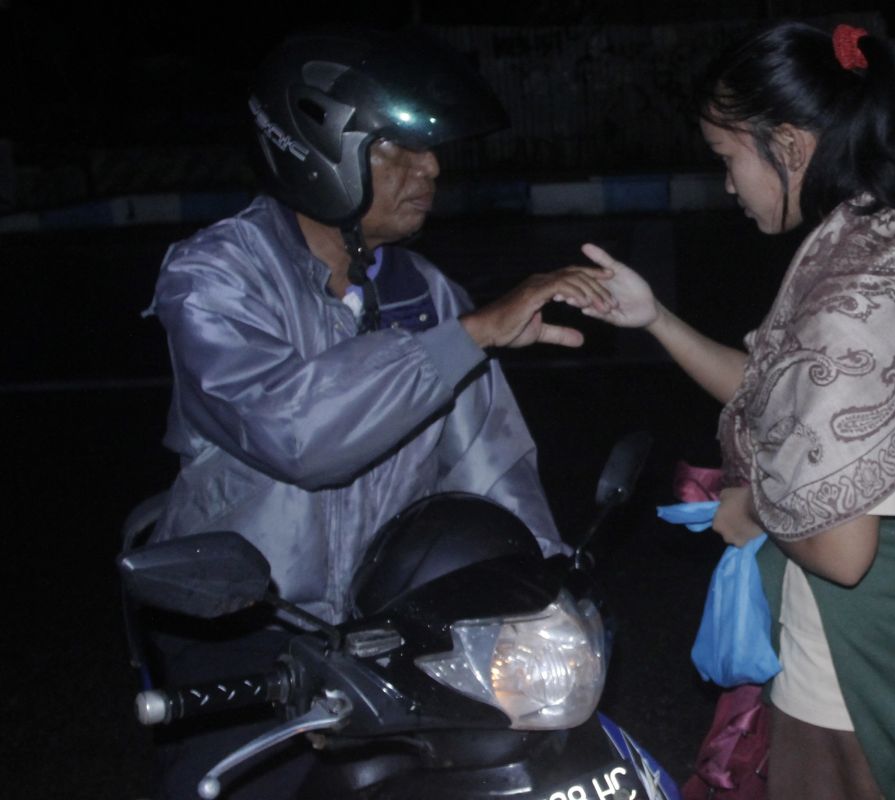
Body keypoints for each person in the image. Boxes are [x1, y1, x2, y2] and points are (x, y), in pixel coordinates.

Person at [142, 27, 611, 799]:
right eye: (397, 147)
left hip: (384, 625)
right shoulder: (215, 279)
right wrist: (468, 336)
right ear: (314, 149)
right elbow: (295, 432)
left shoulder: (422, 290)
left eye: (428, 149)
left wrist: (548, 581)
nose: (429, 168)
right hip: (248, 626)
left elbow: (488, 463)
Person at [578, 21, 895, 800]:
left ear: (786, 144)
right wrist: (655, 319)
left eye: (727, 159)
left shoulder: (850, 302)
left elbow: (842, 549)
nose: (725, 185)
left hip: (861, 675)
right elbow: (782, 388)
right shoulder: (883, 229)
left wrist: (749, 506)